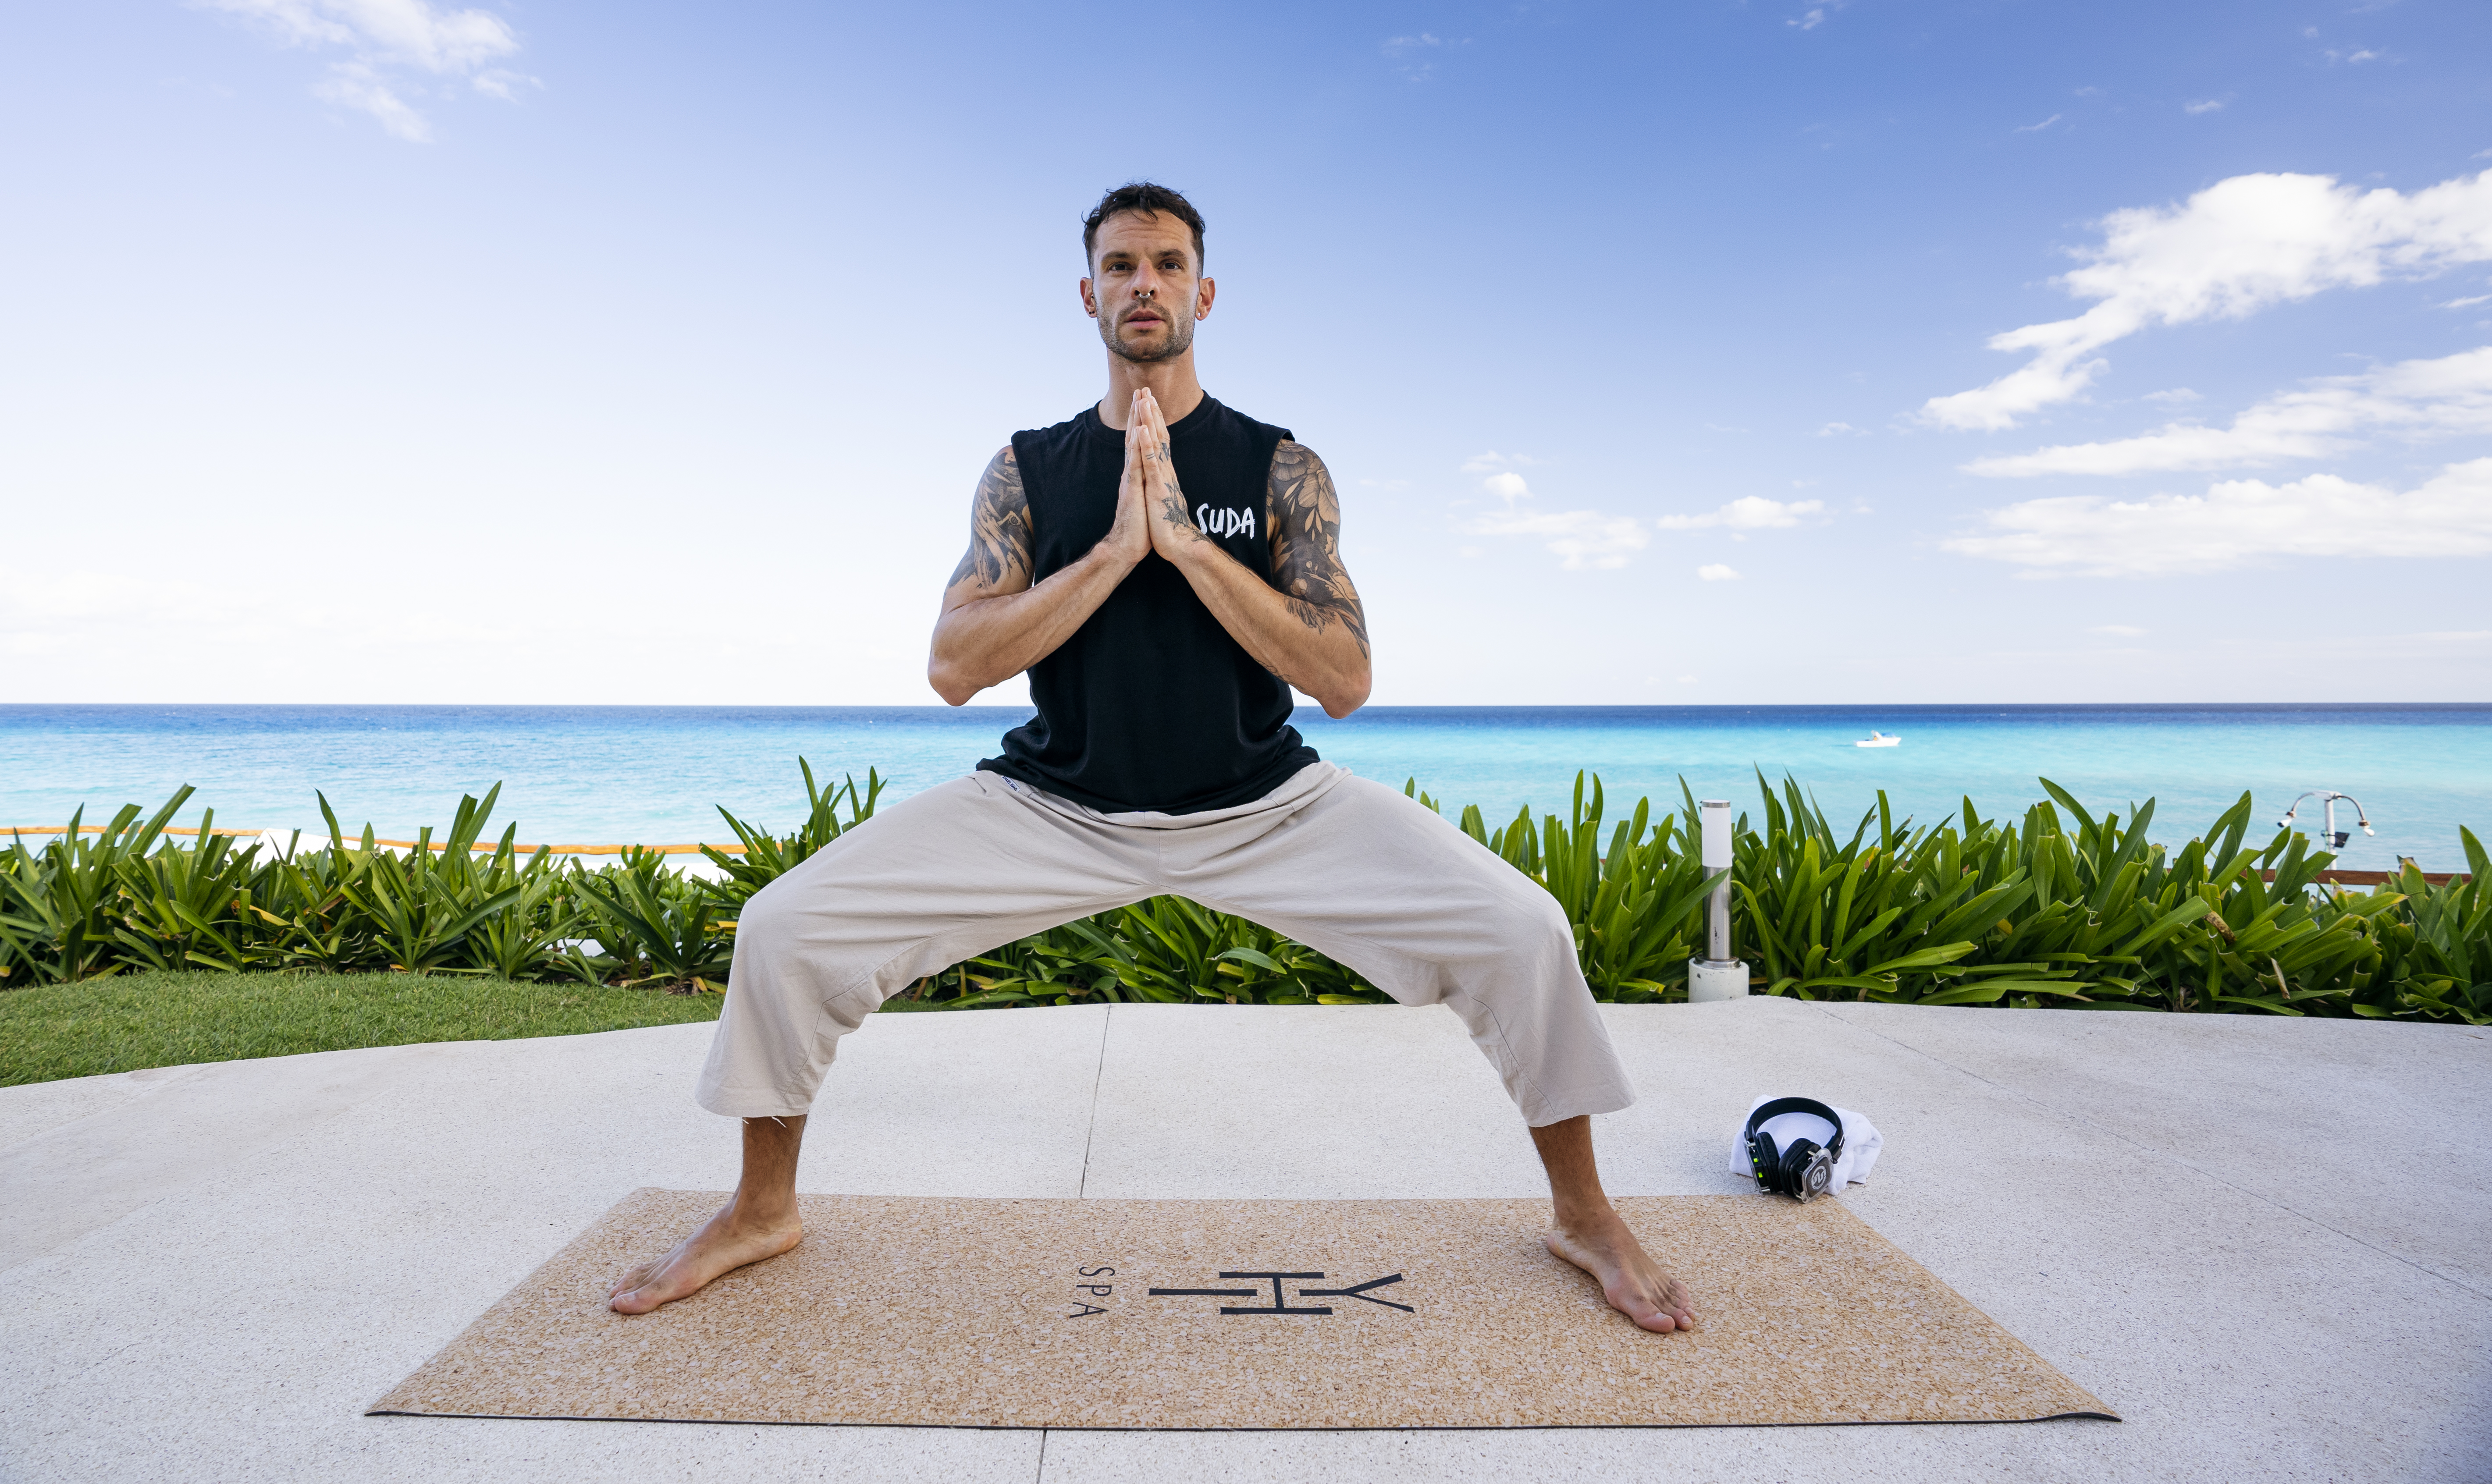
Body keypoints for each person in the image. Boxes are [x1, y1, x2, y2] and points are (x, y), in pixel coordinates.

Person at [608, 182, 1697, 1334]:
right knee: (787, 928)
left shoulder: (1280, 466)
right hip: (1054, 803)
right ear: (1088, 293)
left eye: (1168, 264)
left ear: (1204, 293)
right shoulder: (1028, 469)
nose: (1145, 284)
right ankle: (762, 1208)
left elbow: (1345, 677)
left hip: (1267, 802)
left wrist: (1182, 545)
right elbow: (953, 664)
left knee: (1521, 930)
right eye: (1122, 265)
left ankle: (1583, 1212)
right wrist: (1117, 552)